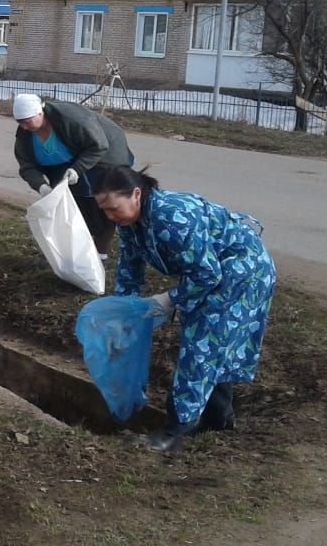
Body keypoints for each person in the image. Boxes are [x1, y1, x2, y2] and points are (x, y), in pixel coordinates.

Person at [94, 165, 275, 453]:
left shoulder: (171, 217)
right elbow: (130, 266)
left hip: (241, 271)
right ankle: (218, 419)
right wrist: (123, 312)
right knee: (212, 343)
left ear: (136, 194)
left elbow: (207, 274)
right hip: (213, 273)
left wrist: (168, 299)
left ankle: (174, 430)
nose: (110, 216)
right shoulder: (131, 223)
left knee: (201, 345)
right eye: (104, 210)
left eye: (114, 208)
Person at [12, 93, 134, 256]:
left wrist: (77, 169)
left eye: (27, 121)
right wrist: (41, 186)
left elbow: (98, 145)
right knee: (67, 204)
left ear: (40, 113)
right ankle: (73, 253)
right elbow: (27, 166)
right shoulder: (25, 135)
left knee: (99, 204)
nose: (24, 127)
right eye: (20, 122)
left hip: (104, 157)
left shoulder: (72, 119)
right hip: (64, 163)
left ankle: (100, 255)